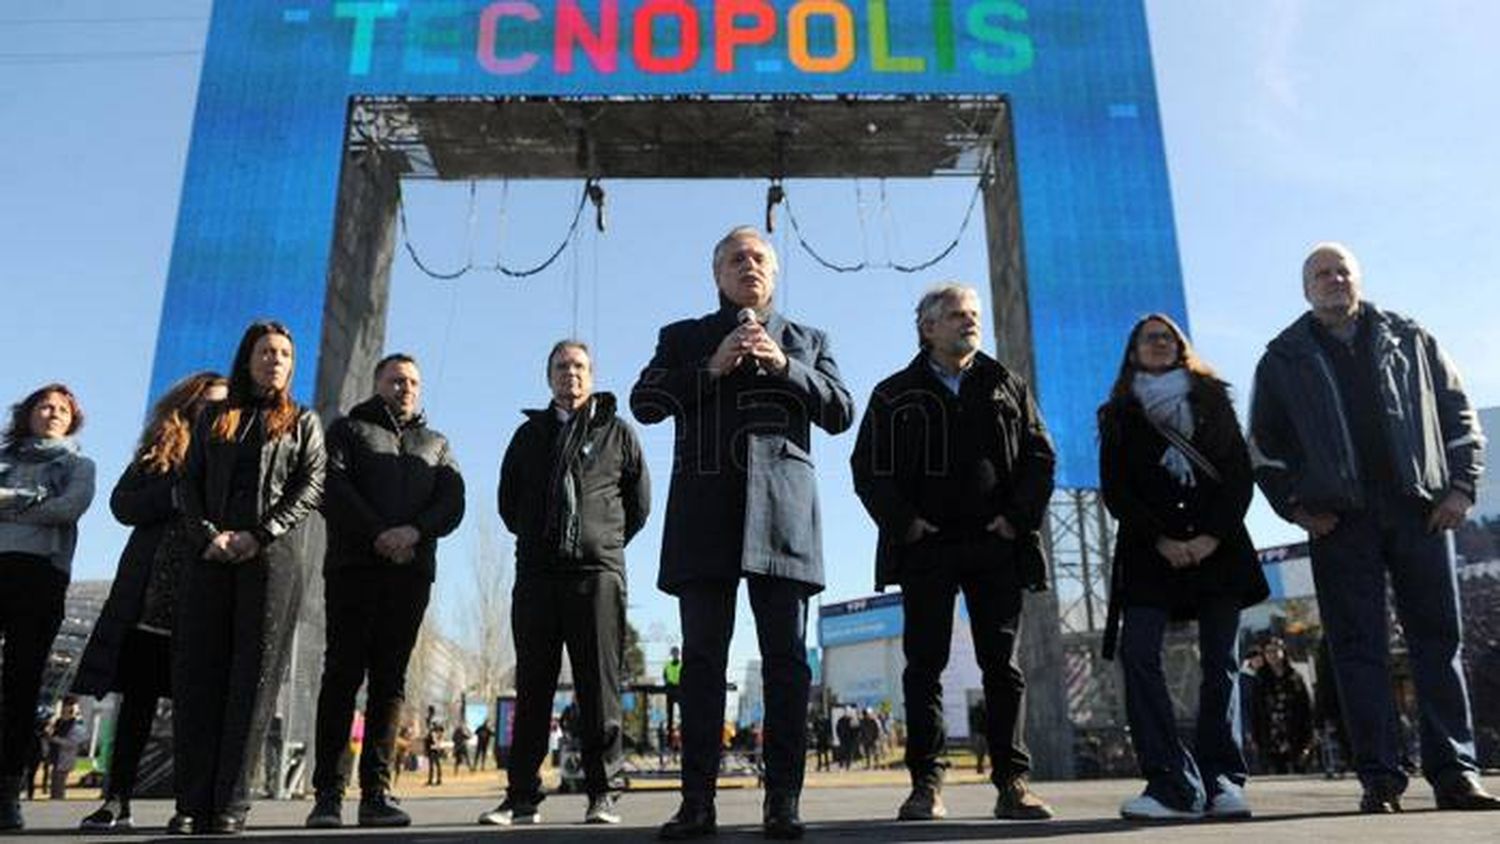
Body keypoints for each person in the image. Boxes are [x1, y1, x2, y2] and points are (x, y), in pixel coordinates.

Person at [1248, 242, 1500, 813]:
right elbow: (1263, 447)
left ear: (1357, 280)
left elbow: (1459, 415)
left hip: (1421, 511)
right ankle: (1380, 779)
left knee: (1439, 643)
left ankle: (1456, 772)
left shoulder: (1412, 338)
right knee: (1357, 649)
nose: (1334, 279)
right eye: (1321, 273)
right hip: (1340, 521)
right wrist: (1295, 509)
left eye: (1342, 271)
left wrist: (1461, 489)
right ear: (1305, 289)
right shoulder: (1282, 358)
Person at [632, 225, 854, 840]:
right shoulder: (683, 338)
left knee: (787, 665)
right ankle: (696, 803)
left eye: (758, 258)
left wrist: (785, 367)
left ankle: (782, 800)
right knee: (702, 663)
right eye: (736, 258)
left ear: (774, 274)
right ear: (717, 275)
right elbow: (644, 401)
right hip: (705, 520)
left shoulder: (809, 340)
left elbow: (841, 411)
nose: (748, 265)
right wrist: (711, 367)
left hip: (783, 523)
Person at [850, 282, 1055, 823]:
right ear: (928, 327)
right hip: (928, 549)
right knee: (924, 667)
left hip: (997, 545)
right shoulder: (894, 393)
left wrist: (1016, 520)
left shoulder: (1005, 384)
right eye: (958, 315)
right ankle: (926, 786)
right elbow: (867, 468)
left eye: (975, 315)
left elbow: (1040, 456)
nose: (970, 323)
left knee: (1001, 668)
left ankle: (1013, 783)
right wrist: (906, 524)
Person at [1096, 313, 1269, 820]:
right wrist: (1162, 538)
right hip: (1152, 554)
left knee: (1221, 662)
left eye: (1167, 337)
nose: (1158, 343)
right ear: (1132, 351)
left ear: (1182, 347)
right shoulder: (1118, 415)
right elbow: (1117, 490)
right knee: (1139, 652)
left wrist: (1211, 534)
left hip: (1220, 550)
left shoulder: (1215, 400)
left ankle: (1221, 780)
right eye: (1148, 337)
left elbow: (1239, 473)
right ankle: (1170, 781)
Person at [481, 340, 650, 827]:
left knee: (599, 686)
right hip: (537, 574)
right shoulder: (527, 435)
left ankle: (602, 794)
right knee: (533, 685)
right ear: (548, 377)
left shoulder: (618, 433)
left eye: (578, 367)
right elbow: (508, 504)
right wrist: (542, 537)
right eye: (560, 367)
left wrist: (602, 541)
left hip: (595, 575)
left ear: (592, 376)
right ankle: (521, 799)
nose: (569, 374)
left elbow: (637, 506)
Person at [173, 320, 327, 834]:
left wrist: (260, 533)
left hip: (271, 562)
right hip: (211, 558)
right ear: (248, 357)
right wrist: (208, 536)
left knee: (254, 683)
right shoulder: (215, 416)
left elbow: (311, 484)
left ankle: (230, 805)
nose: (276, 360)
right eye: (267, 351)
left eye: (285, 353)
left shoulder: (303, 421)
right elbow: (187, 484)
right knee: (201, 678)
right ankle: (192, 802)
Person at [305, 352, 465, 829]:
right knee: (341, 675)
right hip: (354, 568)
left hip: (411, 573)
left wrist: (413, 533)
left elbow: (452, 501)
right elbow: (330, 488)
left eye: (413, 381)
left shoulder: (436, 443)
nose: (406, 388)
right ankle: (328, 796)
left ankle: (377, 793)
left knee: (391, 680)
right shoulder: (347, 432)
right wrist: (379, 533)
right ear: (378, 384)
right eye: (396, 380)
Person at [73, 371, 227, 833]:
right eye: (206, 404)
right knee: (136, 706)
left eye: (221, 406)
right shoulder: (159, 451)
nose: (212, 413)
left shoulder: (233, 455)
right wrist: (175, 492)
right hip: (148, 599)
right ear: (189, 405)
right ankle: (116, 800)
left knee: (195, 711)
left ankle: (189, 804)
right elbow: (123, 506)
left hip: (202, 602)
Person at [0, 383, 96, 832]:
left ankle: (6, 790)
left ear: (72, 419)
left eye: (63, 409)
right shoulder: (6, 458)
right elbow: (49, 506)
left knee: (22, 682)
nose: (53, 413)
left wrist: (11, 504)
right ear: (28, 413)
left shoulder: (78, 464)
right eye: (45, 405)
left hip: (41, 574)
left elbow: (69, 508)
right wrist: (33, 500)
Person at [1252, 638, 1312, 775]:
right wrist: (1254, 736)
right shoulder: (1260, 678)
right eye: (1268, 652)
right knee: (1275, 773)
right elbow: (1255, 708)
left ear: (1283, 652)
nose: (1271, 655)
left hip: (1293, 732)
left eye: (1275, 651)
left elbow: (1306, 707)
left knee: (1298, 771)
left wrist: (1309, 736)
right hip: (1269, 733)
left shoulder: (1295, 677)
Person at [663, 646, 683, 737]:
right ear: (672, 654)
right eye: (673, 653)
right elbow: (665, 676)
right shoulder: (667, 665)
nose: (675, 655)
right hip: (671, 690)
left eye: (676, 653)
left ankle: (682, 735)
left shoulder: (682, 664)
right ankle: (669, 737)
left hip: (680, 690)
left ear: (678, 654)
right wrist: (667, 683)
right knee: (669, 715)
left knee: (683, 714)